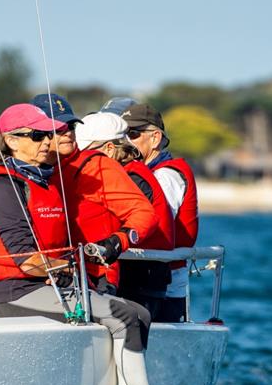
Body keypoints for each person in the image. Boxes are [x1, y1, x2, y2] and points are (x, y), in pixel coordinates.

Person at [0, 103, 205, 385]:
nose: (48, 142)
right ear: (11, 141)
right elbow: (26, 260)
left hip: (49, 283)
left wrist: (103, 251)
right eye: (38, 136)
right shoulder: (3, 185)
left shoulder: (46, 180)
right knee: (125, 315)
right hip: (15, 290)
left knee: (136, 312)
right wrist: (75, 268)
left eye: (50, 134)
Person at [31, 93, 156, 297]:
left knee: (132, 317)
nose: (69, 133)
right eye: (59, 129)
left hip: (93, 277)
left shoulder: (98, 165)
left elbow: (144, 214)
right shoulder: (22, 172)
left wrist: (118, 241)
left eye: (71, 126)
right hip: (39, 275)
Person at [74, 112, 175, 319]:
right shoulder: (126, 171)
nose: (79, 158)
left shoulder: (132, 177)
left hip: (141, 279)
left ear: (109, 149)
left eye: (86, 151)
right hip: (127, 274)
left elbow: (138, 221)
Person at [122, 104, 199, 323]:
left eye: (133, 134)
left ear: (155, 138)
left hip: (164, 283)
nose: (125, 141)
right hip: (146, 277)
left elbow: (153, 218)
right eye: (122, 135)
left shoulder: (167, 176)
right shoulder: (143, 173)